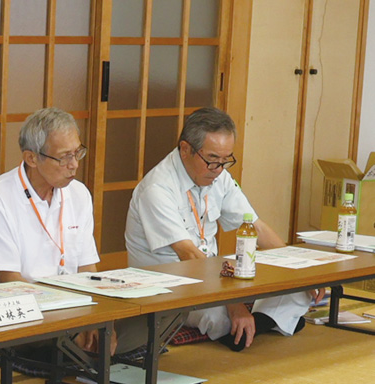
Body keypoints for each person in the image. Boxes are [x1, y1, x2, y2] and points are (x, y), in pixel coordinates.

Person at [125, 107, 312, 351]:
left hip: (213, 274)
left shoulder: (218, 175)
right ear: (185, 149)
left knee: (301, 292)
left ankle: (250, 327)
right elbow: (189, 256)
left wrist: (302, 273)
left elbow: (255, 226)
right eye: (212, 160)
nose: (219, 169)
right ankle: (260, 324)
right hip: (170, 283)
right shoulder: (157, 188)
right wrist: (234, 305)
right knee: (218, 315)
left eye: (226, 160)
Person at [0, 107, 143, 354]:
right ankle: (78, 347)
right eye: (64, 157)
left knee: (146, 320)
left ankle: (84, 346)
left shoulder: (78, 193)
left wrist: (96, 316)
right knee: (75, 338)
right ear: (32, 158)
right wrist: (73, 318)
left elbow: (87, 269)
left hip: (71, 307)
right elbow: (9, 282)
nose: (73, 165)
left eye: (77, 153)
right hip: (23, 309)